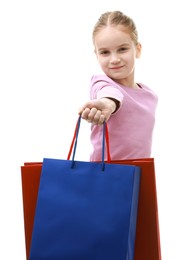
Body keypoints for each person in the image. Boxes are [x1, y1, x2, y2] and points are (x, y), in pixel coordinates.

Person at [79, 10, 158, 161]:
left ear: (138, 49)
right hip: (105, 179)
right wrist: (107, 103)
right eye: (105, 52)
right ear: (96, 55)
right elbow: (110, 94)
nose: (114, 59)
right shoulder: (101, 83)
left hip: (138, 177)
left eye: (122, 49)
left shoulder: (150, 96)